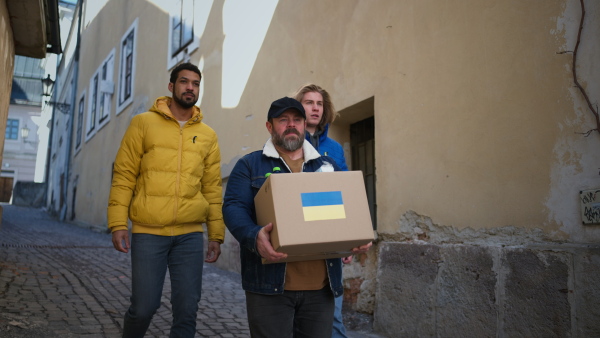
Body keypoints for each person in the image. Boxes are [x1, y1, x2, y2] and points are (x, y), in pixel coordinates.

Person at [223, 97, 371, 338]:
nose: (291, 125)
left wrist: (356, 236)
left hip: (321, 289)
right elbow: (233, 208)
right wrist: (253, 235)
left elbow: (345, 210)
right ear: (270, 127)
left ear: (304, 125)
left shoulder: (327, 166)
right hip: (269, 288)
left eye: (297, 120)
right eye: (283, 120)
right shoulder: (249, 165)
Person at [108, 62, 225, 338]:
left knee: (187, 310)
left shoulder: (208, 136)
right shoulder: (142, 124)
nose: (190, 88)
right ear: (171, 87)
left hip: (190, 235)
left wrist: (216, 235)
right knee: (144, 307)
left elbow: (211, 188)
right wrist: (117, 223)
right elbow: (124, 175)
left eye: (196, 84)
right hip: (149, 232)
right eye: (184, 82)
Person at [294, 84, 351, 338]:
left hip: (330, 236)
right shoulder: (288, 142)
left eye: (319, 103)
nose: (315, 108)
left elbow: (345, 192)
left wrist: (348, 240)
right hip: (299, 236)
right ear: (299, 107)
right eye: (309, 102)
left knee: (334, 316)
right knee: (301, 317)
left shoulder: (335, 149)